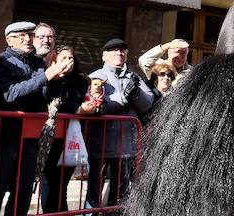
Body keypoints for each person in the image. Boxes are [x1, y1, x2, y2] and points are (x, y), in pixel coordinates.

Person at [0, 21, 69, 216]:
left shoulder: (38, 62)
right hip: (6, 134)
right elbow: (9, 94)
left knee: (24, 189)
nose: (27, 39)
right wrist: (46, 77)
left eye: (29, 35)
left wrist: (57, 80)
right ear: (9, 40)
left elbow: (44, 95)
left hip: (31, 134)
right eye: (21, 35)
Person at [86, 38, 154, 208]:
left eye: (122, 51)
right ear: (104, 56)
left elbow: (148, 105)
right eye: (114, 50)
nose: (119, 53)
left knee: (119, 196)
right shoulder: (96, 77)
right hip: (101, 145)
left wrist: (136, 92)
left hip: (126, 147)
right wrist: (123, 98)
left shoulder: (133, 76)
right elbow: (97, 106)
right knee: (94, 194)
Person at [41, 46, 95, 213]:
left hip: (69, 137)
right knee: (49, 182)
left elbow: (73, 103)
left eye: (70, 58)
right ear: (53, 61)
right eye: (63, 58)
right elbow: (49, 103)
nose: (68, 62)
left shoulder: (81, 81)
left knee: (61, 184)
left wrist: (85, 108)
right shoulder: (46, 80)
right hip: (48, 138)